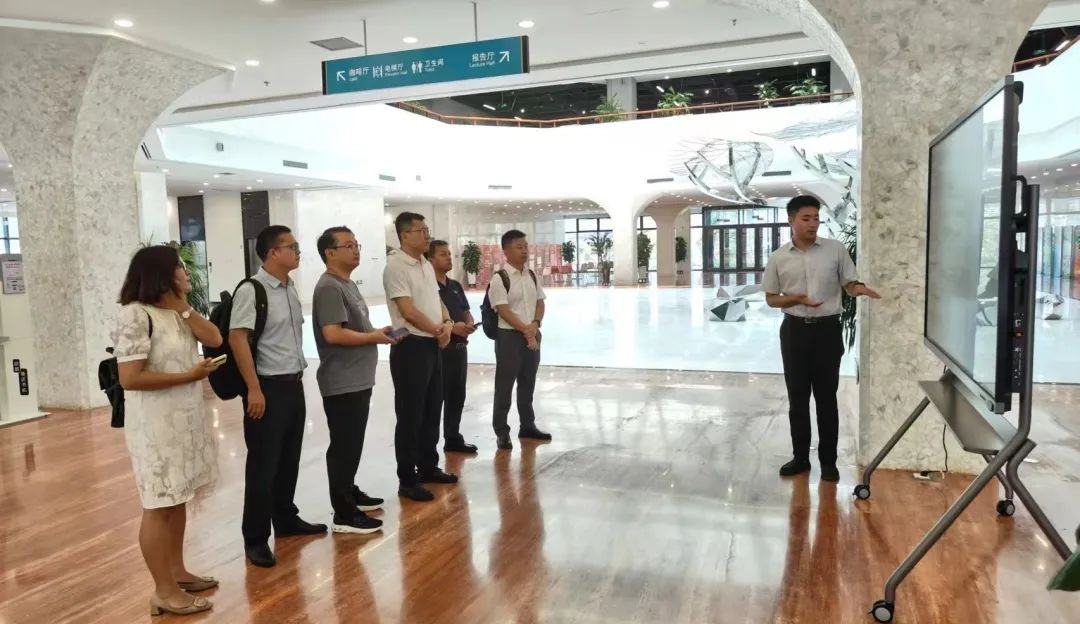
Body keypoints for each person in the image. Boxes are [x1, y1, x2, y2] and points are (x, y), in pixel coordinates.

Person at [113, 245, 223, 617]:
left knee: (177, 500)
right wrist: (189, 376)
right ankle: (163, 591)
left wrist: (184, 308)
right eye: (179, 267)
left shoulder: (177, 312)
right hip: (156, 426)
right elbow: (130, 378)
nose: (187, 272)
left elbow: (215, 338)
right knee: (159, 505)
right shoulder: (135, 314)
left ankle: (177, 573)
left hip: (184, 420)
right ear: (162, 275)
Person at [762, 196, 881, 482]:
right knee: (798, 399)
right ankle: (800, 458)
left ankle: (829, 462)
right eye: (806, 218)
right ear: (791, 220)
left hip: (827, 332)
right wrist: (796, 299)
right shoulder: (778, 257)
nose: (813, 223)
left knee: (826, 399)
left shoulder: (835, 250)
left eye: (816, 218)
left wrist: (858, 288)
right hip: (794, 332)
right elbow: (771, 299)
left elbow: (849, 284)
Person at [230, 225, 326, 568]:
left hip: (292, 384)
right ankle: (255, 538)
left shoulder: (288, 288)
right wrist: (253, 388)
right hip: (266, 387)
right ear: (272, 253)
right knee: (263, 465)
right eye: (292, 246)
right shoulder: (252, 290)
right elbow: (238, 339)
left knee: (288, 458)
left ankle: (285, 518)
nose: (298, 252)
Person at [313, 226, 399, 535]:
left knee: (352, 443)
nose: (356, 250)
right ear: (330, 252)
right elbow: (333, 333)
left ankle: (349, 491)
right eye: (348, 246)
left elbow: (355, 327)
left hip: (357, 378)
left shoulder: (346, 284)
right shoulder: (329, 287)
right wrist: (372, 337)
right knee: (344, 446)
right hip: (342, 379)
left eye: (356, 244)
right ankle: (344, 512)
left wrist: (377, 332)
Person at [384, 213, 459, 502]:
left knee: (431, 410)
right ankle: (407, 479)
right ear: (404, 235)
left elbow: (436, 301)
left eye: (427, 229)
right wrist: (437, 330)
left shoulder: (425, 264)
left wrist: (447, 323)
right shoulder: (395, 266)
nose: (427, 234)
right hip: (410, 347)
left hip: (432, 344)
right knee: (410, 415)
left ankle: (428, 467)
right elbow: (408, 311)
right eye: (421, 230)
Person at [488, 230, 552, 451]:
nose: (524, 251)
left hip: (532, 334)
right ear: (506, 251)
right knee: (504, 386)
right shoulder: (499, 278)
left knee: (528, 382)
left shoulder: (532, 275)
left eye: (525, 246)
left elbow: (540, 302)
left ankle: (527, 425)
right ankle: (502, 431)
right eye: (519, 247)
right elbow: (502, 310)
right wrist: (525, 329)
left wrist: (535, 324)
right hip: (509, 338)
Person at [426, 239, 479, 454]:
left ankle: (453, 437)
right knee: (436, 398)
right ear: (430, 260)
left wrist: (468, 323)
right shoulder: (428, 288)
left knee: (457, 395)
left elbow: (466, 311)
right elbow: (428, 317)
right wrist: (452, 327)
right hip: (440, 349)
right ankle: (430, 449)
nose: (449, 257)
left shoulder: (455, 286)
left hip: (459, 349)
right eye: (443, 254)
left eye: (449, 254)